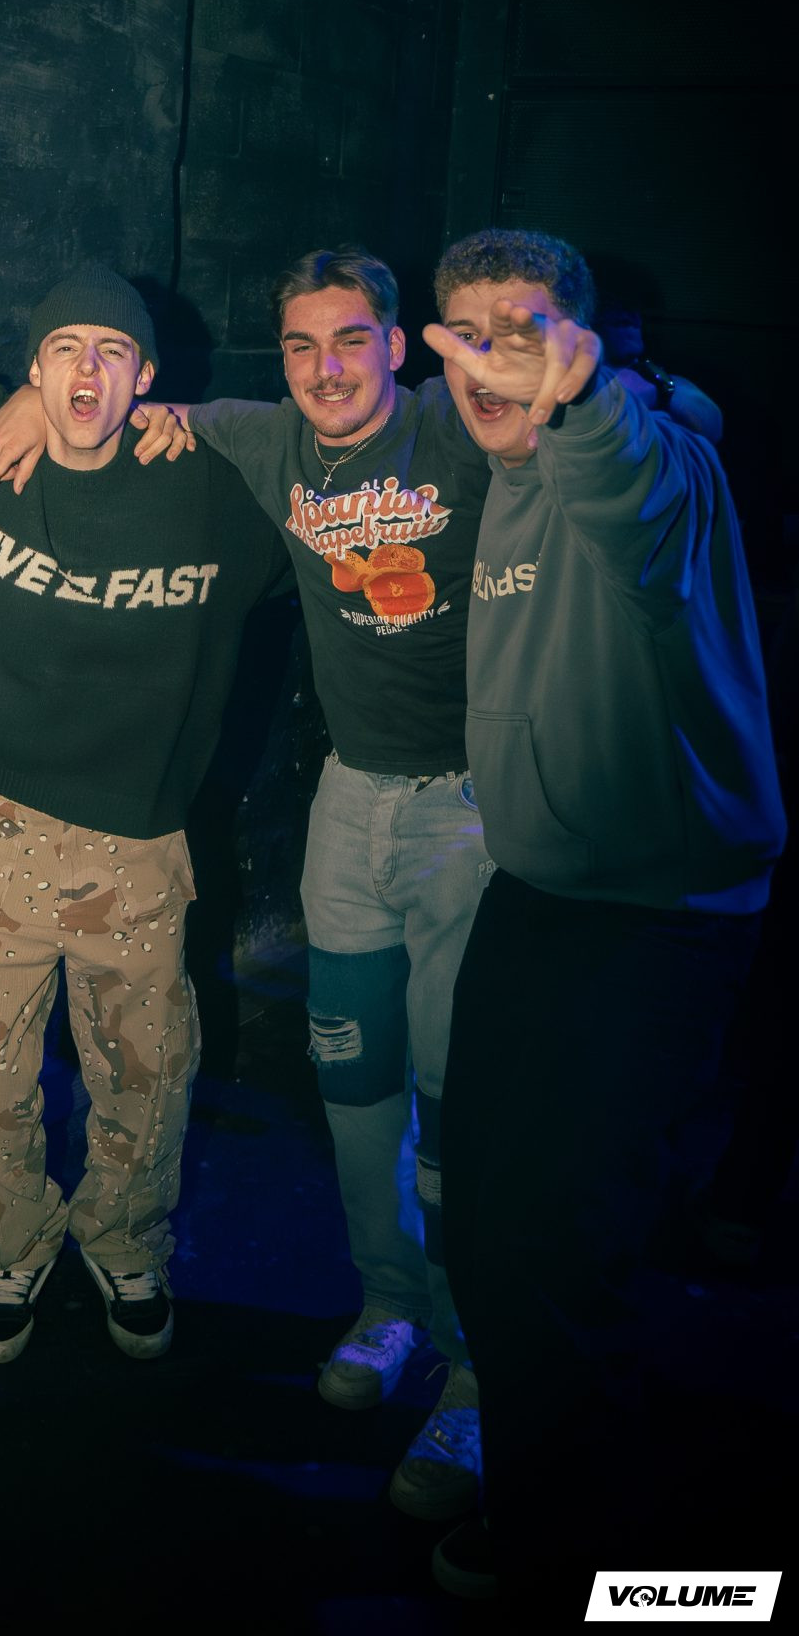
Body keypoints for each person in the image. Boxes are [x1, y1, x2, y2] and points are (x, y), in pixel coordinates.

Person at [422, 228, 786, 1605]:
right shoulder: (508, 470)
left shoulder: (646, 454)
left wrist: (588, 404)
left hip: (657, 918)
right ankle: (539, 1484)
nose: (491, 360)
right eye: (467, 334)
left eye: (522, 331)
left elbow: (639, 490)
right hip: (541, 897)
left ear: (583, 344)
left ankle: (589, 1566)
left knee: (569, 1251)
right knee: (485, 1222)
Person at [132, 248, 494, 1518]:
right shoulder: (270, 435)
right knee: (353, 1073)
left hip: (472, 809)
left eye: (351, 340)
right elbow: (150, 409)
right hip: (350, 803)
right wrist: (32, 404)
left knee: (460, 1096)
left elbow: (621, 428)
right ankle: (390, 1304)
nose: (326, 369)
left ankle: (477, 1363)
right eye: (301, 345)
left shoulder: (460, 427)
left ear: (398, 344)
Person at [0, 264, 291, 1364]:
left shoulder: (212, 488)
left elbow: (343, 457)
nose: (87, 371)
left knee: (145, 1076)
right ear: (34, 366)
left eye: (113, 352)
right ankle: (12, 1241)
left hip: (140, 840)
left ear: (146, 377)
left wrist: (206, 423)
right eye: (65, 349)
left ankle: (124, 1239)